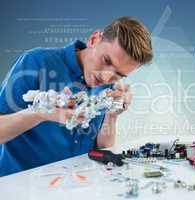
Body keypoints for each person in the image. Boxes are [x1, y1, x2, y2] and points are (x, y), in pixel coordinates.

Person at [0, 16, 152, 176]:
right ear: (94, 40)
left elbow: (101, 149)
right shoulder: (36, 62)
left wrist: (112, 116)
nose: (106, 78)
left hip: (73, 185)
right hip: (19, 186)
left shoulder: (108, 86)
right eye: (106, 60)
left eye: (119, 74)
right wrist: (39, 114)